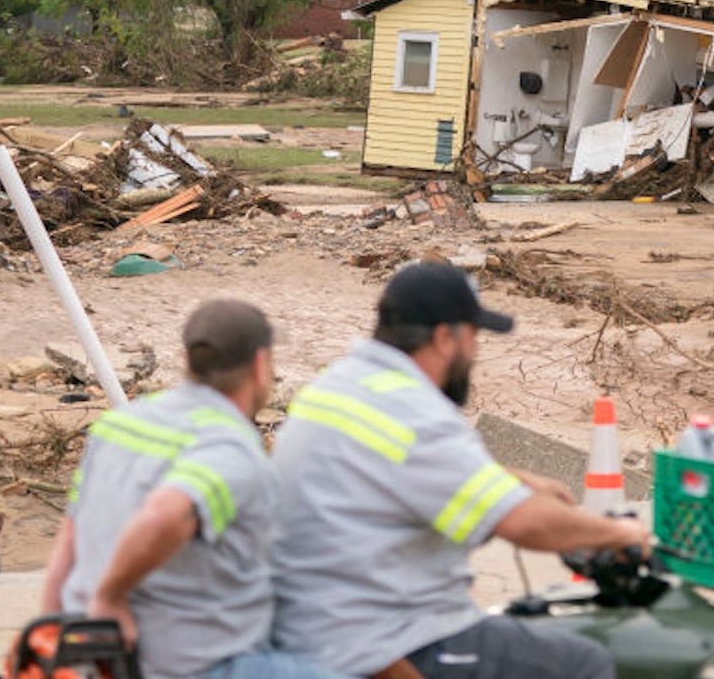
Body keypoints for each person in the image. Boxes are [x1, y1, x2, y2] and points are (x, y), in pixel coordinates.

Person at [271, 262, 651, 679]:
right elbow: (526, 525)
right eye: (473, 337)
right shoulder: (415, 410)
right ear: (444, 338)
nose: (475, 352)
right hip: (385, 638)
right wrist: (620, 533)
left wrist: (511, 480)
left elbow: (400, 470)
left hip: (313, 621)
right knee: (585, 661)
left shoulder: (341, 385)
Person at [39, 299, 344, 679]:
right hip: (193, 664)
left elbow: (68, 545)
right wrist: (110, 596)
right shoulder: (230, 449)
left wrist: (52, 636)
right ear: (261, 364)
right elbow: (163, 514)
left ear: (186, 358)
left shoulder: (118, 425)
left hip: (95, 655)